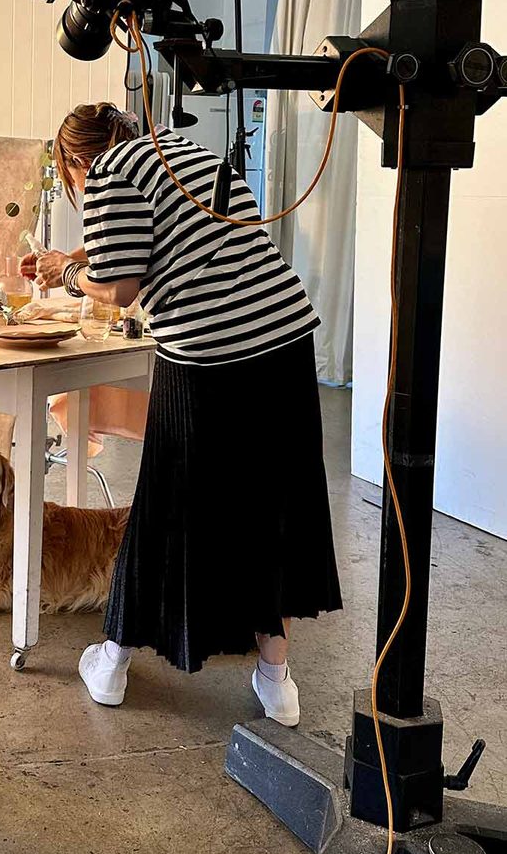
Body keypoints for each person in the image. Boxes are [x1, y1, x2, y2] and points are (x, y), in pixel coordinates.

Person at [25, 102, 341, 725]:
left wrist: (67, 273)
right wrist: (80, 260)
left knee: (168, 502)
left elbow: (120, 290)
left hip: (208, 352)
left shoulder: (106, 172)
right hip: (283, 338)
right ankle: (276, 680)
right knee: (270, 504)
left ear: (75, 160)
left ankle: (111, 664)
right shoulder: (181, 154)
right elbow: (168, 243)